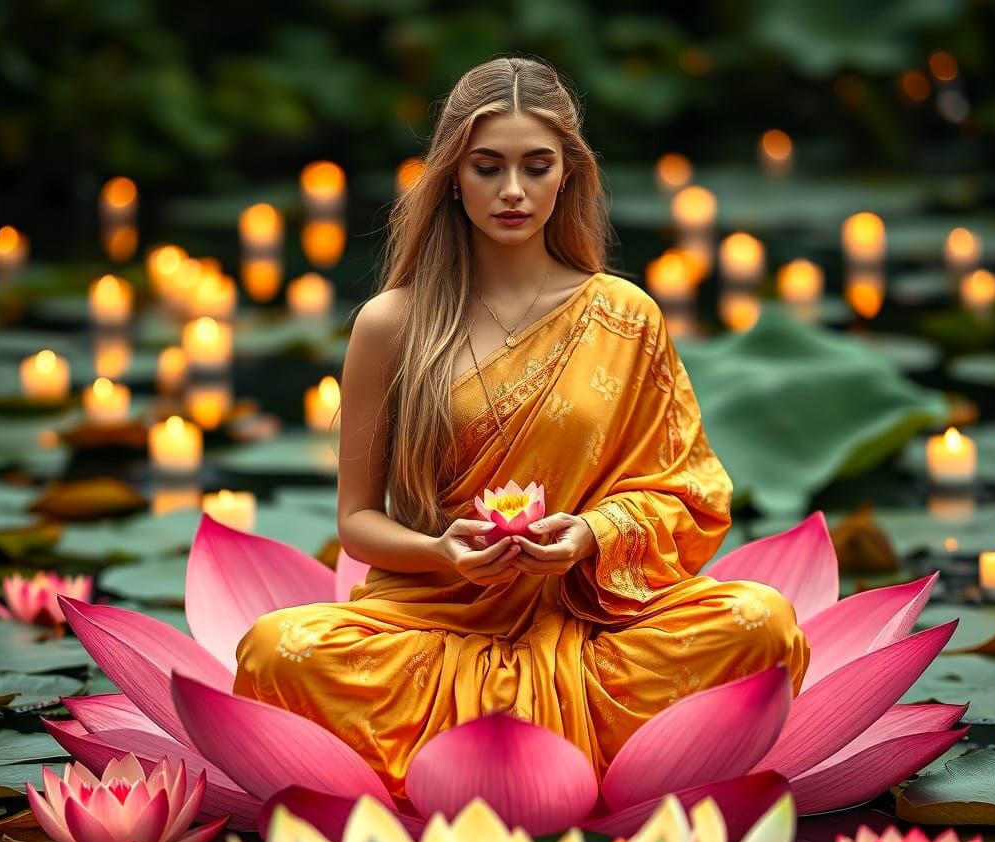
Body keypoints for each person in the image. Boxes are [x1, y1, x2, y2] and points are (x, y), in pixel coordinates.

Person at [234, 55, 809, 799]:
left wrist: (591, 535)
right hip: (432, 623)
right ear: (451, 176)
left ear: (567, 174)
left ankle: (498, 763)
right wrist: (444, 553)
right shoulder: (392, 324)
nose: (512, 192)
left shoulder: (623, 314)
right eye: (487, 167)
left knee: (760, 624)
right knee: (279, 652)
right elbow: (358, 524)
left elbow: (690, 497)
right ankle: (548, 765)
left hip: (596, 625)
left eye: (536, 167)